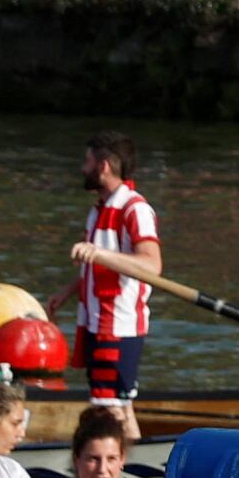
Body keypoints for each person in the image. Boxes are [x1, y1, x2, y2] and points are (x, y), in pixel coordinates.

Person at [70, 136, 159, 403]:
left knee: (109, 406)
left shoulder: (135, 209)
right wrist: (65, 293)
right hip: (94, 321)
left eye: (88, 162)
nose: (83, 169)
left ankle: (121, 445)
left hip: (119, 325)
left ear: (103, 166)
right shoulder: (98, 211)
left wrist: (100, 254)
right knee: (115, 406)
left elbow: (152, 265)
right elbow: (98, 269)